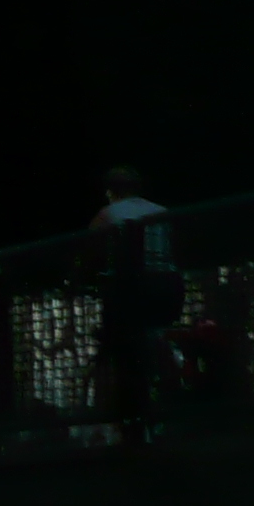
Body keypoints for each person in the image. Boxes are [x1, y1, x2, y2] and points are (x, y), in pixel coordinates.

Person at [86, 166, 183, 428]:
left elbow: (90, 248)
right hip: (166, 284)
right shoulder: (160, 210)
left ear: (110, 191)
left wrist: (80, 277)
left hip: (131, 287)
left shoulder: (109, 213)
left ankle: (116, 411)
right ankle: (176, 394)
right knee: (157, 336)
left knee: (116, 343)